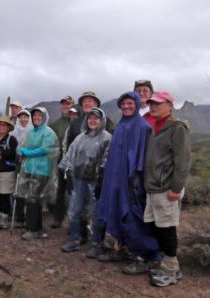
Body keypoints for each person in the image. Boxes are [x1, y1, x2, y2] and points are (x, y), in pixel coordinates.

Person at [97, 92, 161, 272]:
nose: (126, 106)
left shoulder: (142, 126)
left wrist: (136, 179)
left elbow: (144, 156)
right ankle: (119, 249)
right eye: (123, 103)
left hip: (132, 181)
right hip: (116, 179)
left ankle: (142, 258)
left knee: (134, 216)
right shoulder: (120, 125)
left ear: (137, 104)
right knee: (117, 212)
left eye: (130, 103)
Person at [143, 91, 190, 287]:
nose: (154, 106)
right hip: (153, 188)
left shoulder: (176, 127)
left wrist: (175, 187)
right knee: (157, 227)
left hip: (166, 188)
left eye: (159, 104)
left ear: (170, 105)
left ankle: (170, 272)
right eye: (152, 103)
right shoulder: (155, 126)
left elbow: (183, 160)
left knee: (167, 229)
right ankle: (171, 266)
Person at [59, 108, 111, 256]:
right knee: (75, 210)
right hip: (78, 180)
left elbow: (107, 160)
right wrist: (67, 174)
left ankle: (96, 243)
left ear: (101, 121)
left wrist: (101, 178)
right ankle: (74, 239)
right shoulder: (80, 138)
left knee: (96, 212)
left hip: (95, 182)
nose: (93, 121)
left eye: (96, 118)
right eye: (90, 118)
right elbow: (70, 156)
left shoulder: (107, 138)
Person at [16, 107, 59, 240]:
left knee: (33, 198)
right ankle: (37, 228)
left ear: (45, 117)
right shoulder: (32, 132)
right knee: (33, 198)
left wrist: (27, 152)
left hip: (41, 169)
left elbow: (46, 149)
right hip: (29, 168)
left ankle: (32, 229)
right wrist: (20, 150)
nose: (37, 118)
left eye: (40, 115)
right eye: (34, 116)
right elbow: (22, 146)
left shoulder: (48, 132)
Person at [49, 96, 74, 229]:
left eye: (68, 104)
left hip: (74, 163)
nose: (66, 106)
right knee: (60, 190)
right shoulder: (55, 124)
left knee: (72, 192)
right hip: (60, 161)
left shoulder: (76, 122)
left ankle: (72, 220)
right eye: (64, 104)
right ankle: (58, 218)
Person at [10, 109, 33, 227]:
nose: (23, 119)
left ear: (29, 118)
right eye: (21, 117)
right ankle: (19, 217)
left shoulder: (33, 131)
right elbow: (12, 146)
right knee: (19, 188)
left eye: (25, 117)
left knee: (29, 189)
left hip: (30, 163)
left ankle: (29, 216)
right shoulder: (14, 132)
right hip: (19, 162)